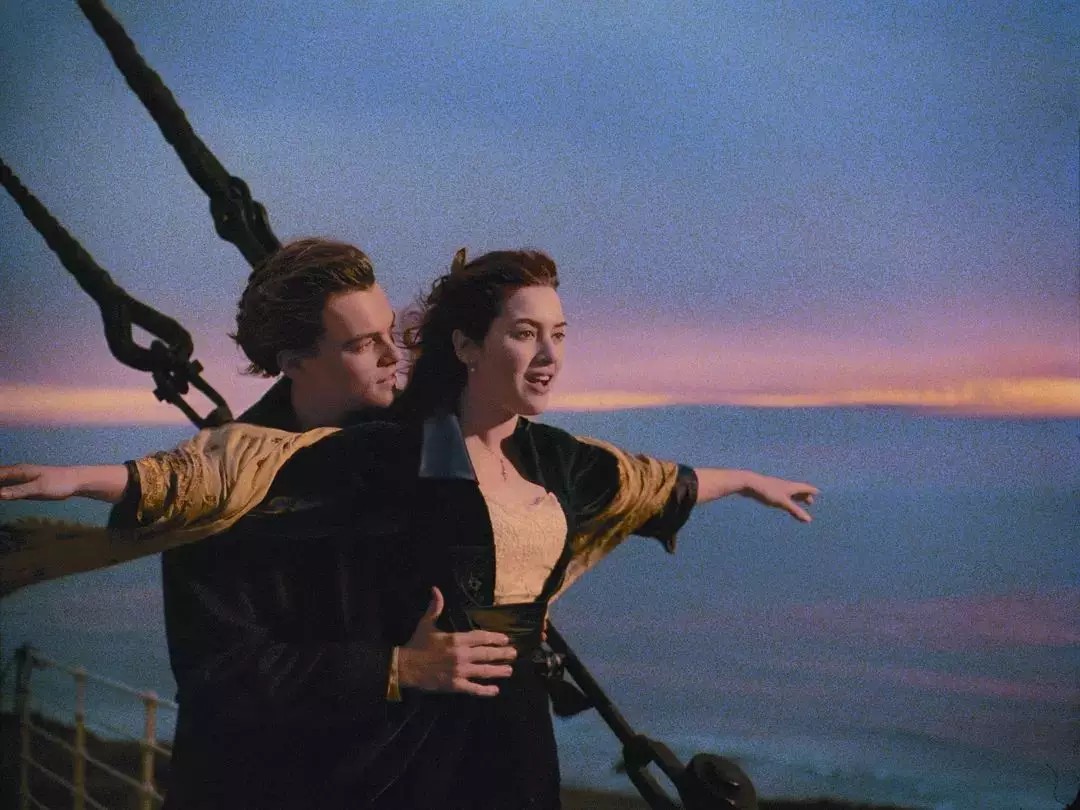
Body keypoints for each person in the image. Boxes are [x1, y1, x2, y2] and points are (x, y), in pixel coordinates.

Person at [2, 248, 816, 809]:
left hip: (425, 764)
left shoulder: (428, 445)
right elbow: (224, 673)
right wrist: (396, 667)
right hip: (278, 784)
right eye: (365, 344)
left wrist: (742, 479)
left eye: (392, 332)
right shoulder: (230, 499)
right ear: (293, 360)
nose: (396, 356)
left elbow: (613, 483)